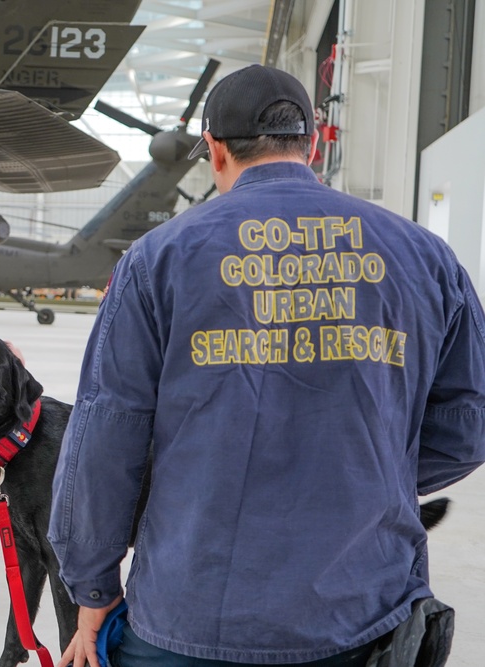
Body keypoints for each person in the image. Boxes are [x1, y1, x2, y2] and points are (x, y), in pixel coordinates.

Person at [47, 65, 485, 666]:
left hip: (190, 611)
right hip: (359, 612)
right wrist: (365, 479)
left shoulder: (159, 258)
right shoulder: (424, 255)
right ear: (310, 145)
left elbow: (106, 431)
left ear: (217, 150)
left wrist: (92, 587)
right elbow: (468, 423)